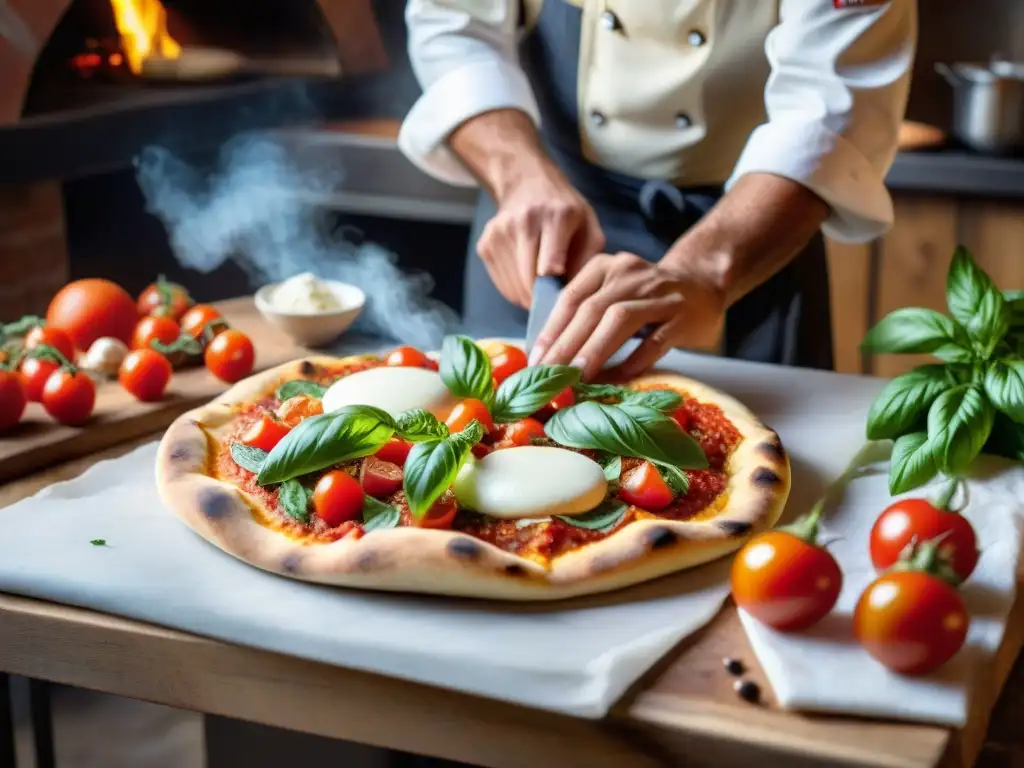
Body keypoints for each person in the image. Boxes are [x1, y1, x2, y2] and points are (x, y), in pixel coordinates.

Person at [398, 0, 916, 378]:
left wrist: (702, 271)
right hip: (540, 222)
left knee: (775, 485)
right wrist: (519, 177)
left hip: (750, 228)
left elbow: (832, 112)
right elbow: (453, 22)